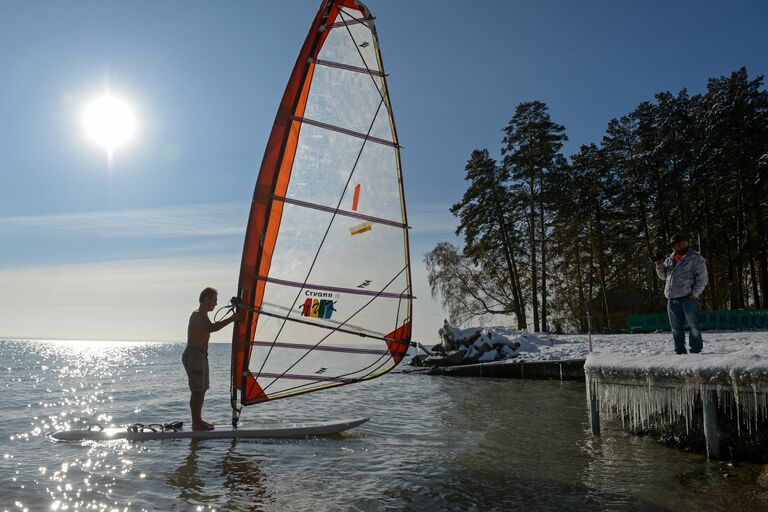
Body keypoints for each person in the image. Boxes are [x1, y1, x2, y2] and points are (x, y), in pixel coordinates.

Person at [183, 287, 241, 431]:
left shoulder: (204, 314)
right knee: (197, 390)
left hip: (202, 355)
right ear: (206, 299)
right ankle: (196, 423)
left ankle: (198, 420)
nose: (216, 304)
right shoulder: (197, 315)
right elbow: (211, 328)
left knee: (202, 390)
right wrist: (232, 318)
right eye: (214, 300)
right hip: (194, 355)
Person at [654, 234, 709, 354]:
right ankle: (679, 350)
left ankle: (696, 350)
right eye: (674, 244)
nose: (677, 245)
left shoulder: (695, 257)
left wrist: (694, 293)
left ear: (685, 243)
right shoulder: (670, 259)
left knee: (693, 326)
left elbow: (703, 278)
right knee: (676, 328)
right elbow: (664, 277)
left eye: (680, 242)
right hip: (672, 298)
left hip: (687, 298)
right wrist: (659, 264)